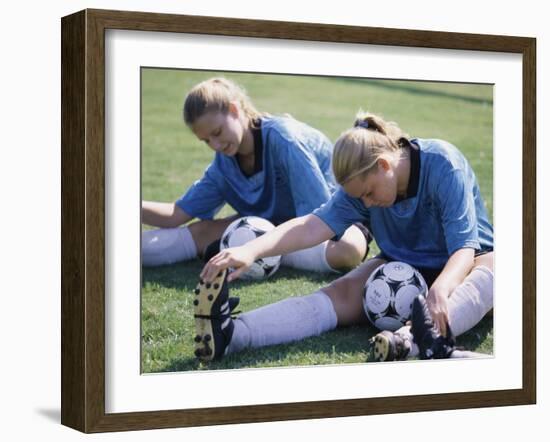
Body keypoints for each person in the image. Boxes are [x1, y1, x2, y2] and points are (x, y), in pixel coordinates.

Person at [195, 111, 494, 362]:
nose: (365, 204)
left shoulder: (442, 163)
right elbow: (311, 226)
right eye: (358, 198)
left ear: (385, 165)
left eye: (368, 193)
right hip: (400, 261)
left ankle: (409, 341)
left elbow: (465, 248)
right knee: (336, 294)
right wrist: (251, 250)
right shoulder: (360, 187)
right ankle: (234, 334)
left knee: (500, 268)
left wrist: (440, 287)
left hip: (468, 261)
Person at [142, 77, 368, 274]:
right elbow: (175, 215)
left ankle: (256, 250)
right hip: (268, 227)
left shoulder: (285, 140)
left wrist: (255, 243)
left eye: (218, 132)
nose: (216, 145)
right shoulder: (223, 166)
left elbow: (317, 222)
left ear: (234, 110)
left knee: (347, 251)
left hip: (325, 224)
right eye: (206, 141)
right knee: (201, 232)